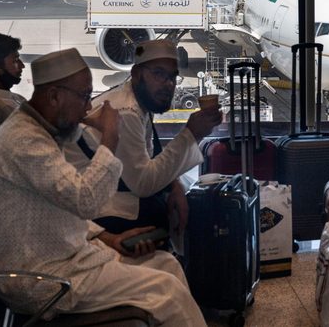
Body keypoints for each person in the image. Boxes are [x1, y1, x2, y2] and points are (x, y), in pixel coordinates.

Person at [0, 48, 206, 325]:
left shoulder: (41, 131)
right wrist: (110, 137)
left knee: (167, 265)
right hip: (42, 278)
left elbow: (64, 205)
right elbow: (87, 201)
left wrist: (108, 238)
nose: (89, 108)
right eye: (85, 96)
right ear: (54, 96)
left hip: (67, 255)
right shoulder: (26, 143)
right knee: (166, 292)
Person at [76, 39, 222, 244]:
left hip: (119, 190)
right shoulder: (125, 111)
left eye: (172, 77)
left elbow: (147, 159)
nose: (168, 84)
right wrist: (192, 134)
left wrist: (175, 185)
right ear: (136, 74)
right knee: (196, 212)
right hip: (100, 208)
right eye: (158, 74)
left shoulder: (139, 100)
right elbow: (143, 184)